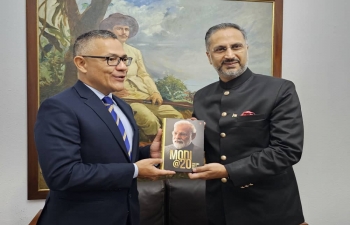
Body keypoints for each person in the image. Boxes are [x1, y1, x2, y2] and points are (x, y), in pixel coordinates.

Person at [34, 30, 175, 225]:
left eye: (125, 60)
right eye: (111, 59)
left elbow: (115, 155)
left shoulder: (123, 107)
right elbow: (63, 175)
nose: (123, 67)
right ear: (81, 63)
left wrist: (146, 153)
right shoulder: (59, 107)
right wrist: (134, 170)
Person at [188, 23, 306, 225]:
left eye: (236, 47)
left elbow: (287, 150)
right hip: (220, 209)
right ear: (209, 56)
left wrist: (228, 171)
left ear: (246, 49)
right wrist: (186, 136)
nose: (229, 55)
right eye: (220, 49)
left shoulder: (279, 89)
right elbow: (203, 149)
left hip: (271, 210)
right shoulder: (202, 97)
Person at [99, 13, 183, 142]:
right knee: (150, 121)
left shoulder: (135, 52)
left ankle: (176, 153)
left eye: (126, 29)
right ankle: (155, 149)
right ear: (109, 30)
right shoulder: (100, 50)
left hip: (144, 95)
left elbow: (144, 75)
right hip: (124, 99)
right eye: (119, 28)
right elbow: (97, 75)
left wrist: (154, 92)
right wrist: (111, 92)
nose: (124, 32)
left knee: (174, 116)